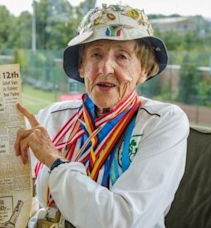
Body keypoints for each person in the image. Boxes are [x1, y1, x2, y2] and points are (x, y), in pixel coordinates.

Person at [14, 4, 189, 228]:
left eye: (122, 57)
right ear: (81, 67)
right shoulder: (51, 117)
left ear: (144, 70)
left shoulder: (162, 122)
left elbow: (122, 221)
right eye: (96, 54)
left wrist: (54, 161)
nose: (105, 68)